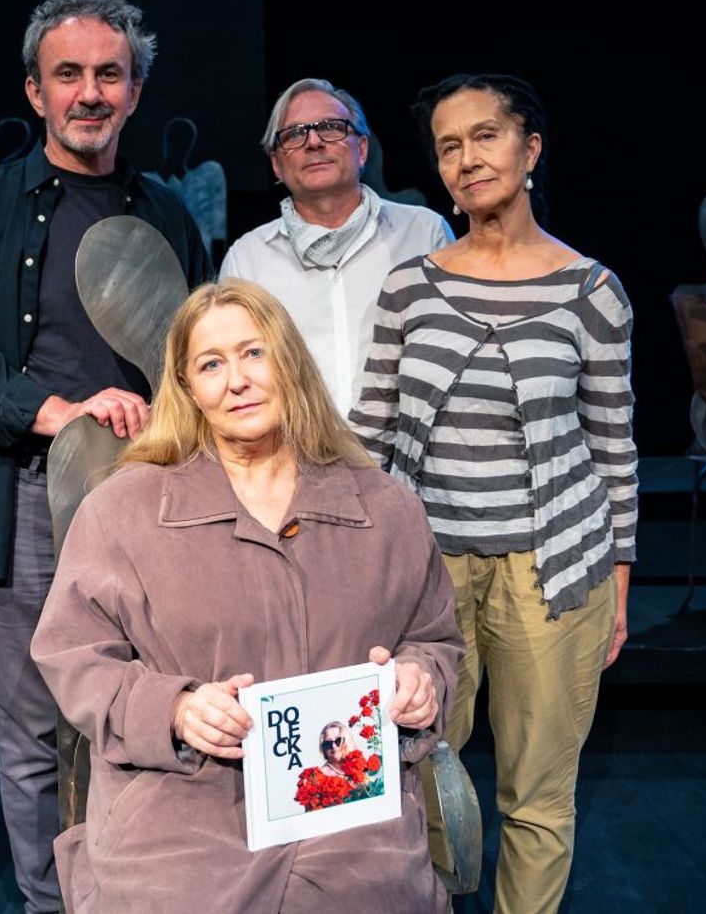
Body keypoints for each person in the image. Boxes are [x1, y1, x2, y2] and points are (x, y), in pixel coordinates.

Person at [31, 279, 463, 913]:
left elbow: (434, 639)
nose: (237, 381)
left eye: (254, 353)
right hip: (185, 816)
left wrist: (421, 680)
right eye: (211, 365)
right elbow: (74, 656)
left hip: (347, 818)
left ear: (289, 361)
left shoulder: (385, 509)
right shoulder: (123, 511)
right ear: (187, 388)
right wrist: (174, 708)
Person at [0, 0, 211, 912]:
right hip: (28, 498)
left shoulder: (169, 213)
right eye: (69, 74)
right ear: (35, 90)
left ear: (135, 91)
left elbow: (202, 352)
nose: (90, 92)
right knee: (35, 735)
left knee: (155, 711)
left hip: (154, 504)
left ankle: (139, 892)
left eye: (109, 75)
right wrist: (63, 412)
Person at [350, 73, 636, 914]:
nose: (467, 159)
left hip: (556, 574)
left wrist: (619, 581)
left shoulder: (591, 290)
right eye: (449, 146)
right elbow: (369, 437)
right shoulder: (410, 286)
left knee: (537, 796)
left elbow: (613, 446)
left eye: (486, 135)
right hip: (428, 576)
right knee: (416, 776)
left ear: (530, 148)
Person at [220, 79, 452, 416]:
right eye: (294, 134)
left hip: (405, 447)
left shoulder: (424, 234)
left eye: (330, 127)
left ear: (362, 149)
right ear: (276, 165)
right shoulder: (247, 259)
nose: (314, 142)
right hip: (296, 448)